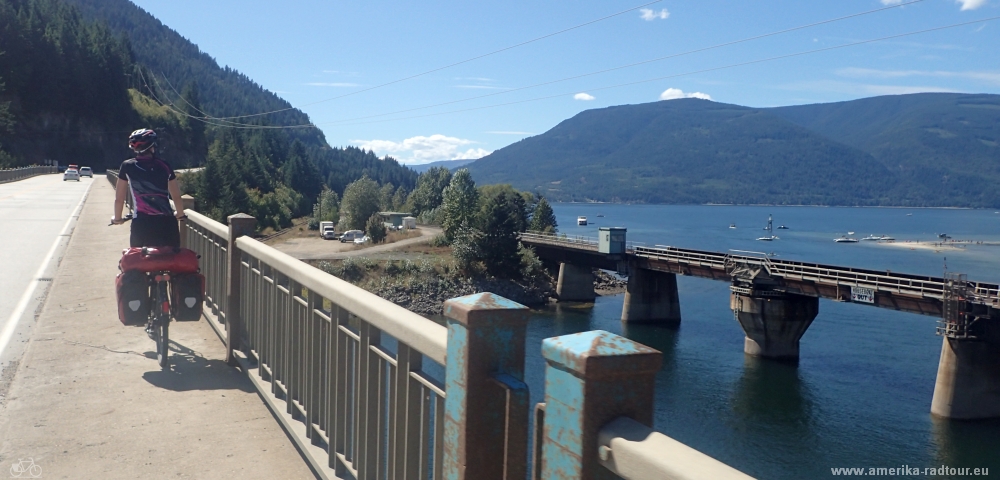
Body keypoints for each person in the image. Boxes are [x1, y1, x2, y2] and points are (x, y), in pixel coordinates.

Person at [112, 129, 187, 247]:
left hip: (142, 223)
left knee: (138, 261)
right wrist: (180, 214)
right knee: (172, 260)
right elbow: (176, 196)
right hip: (167, 223)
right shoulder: (164, 165)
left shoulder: (127, 166)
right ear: (153, 146)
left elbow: (119, 199)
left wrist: (117, 218)